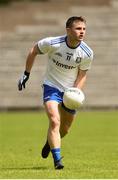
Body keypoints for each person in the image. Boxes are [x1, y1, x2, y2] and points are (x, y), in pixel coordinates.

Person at [18, 16, 93, 169]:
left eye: (84, 29)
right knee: (54, 121)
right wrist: (26, 74)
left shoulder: (87, 52)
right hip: (51, 86)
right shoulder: (52, 43)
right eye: (78, 28)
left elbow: (82, 75)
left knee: (64, 129)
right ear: (68, 30)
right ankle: (57, 160)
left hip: (69, 91)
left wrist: (75, 92)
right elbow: (33, 50)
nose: (82, 32)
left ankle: (49, 143)